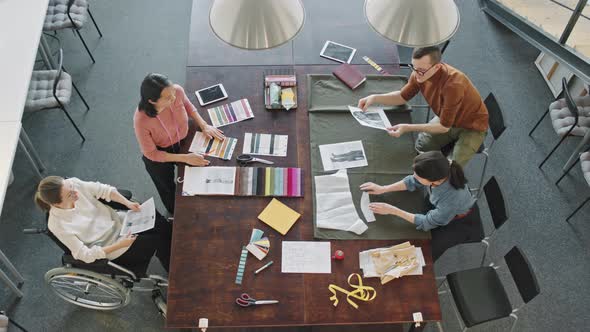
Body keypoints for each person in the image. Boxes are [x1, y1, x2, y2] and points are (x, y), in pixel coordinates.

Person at [358, 46, 489, 167]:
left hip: (471, 126)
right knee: (422, 146)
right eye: (414, 68)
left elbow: (443, 127)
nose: (416, 74)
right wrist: (375, 98)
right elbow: (402, 97)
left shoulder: (453, 85)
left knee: (451, 170)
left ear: (437, 67)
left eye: (421, 70)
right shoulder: (419, 73)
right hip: (446, 118)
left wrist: (407, 128)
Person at [35, 176, 172, 276]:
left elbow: (104, 190)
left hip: (120, 223)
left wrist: (127, 203)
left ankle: (174, 251)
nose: (76, 192)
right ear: (57, 204)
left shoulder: (73, 184)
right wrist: (120, 245)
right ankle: (174, 267)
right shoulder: (57, 225)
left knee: (158, 221)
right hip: (113, 247)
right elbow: (84, 255)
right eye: (71, 194)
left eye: (71, 187)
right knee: (157, 239)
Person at [360, 151, 481, 261]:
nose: (414, 176)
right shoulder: (441, 168)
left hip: (458, 223)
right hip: (441, 207)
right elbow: (413, 181)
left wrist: (393, 210)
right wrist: (383, 189)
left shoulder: (451, 199)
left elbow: (428, 222)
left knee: (422, 255)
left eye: (418, 176)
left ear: (436, 181)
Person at [134, 73, 224, 214]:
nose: (174, 98)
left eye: (173, 93)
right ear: (152, 101)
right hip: (160, 152)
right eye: (168, 98)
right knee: (168, 189)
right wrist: (185, 158)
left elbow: (188, 106)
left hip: (184, 138)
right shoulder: (141, 120)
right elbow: (151, 153)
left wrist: (204, 125)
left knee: (203, 170)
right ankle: (177, 214)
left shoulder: (176, 91)